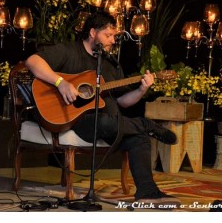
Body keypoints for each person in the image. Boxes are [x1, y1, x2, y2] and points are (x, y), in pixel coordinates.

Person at [26, 11, 180, 208]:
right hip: (76, 120)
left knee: (137, 138)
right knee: (109, 121)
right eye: (108, 35)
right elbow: (32, 61)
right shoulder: (69, 51)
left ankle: (147, 192)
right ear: (92, 32)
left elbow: (123, 102)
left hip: (109, 123)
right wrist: (61, 83)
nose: (112, 40)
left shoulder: (110, 64)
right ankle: (145, 123)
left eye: (114, 36)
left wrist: (142, 89)